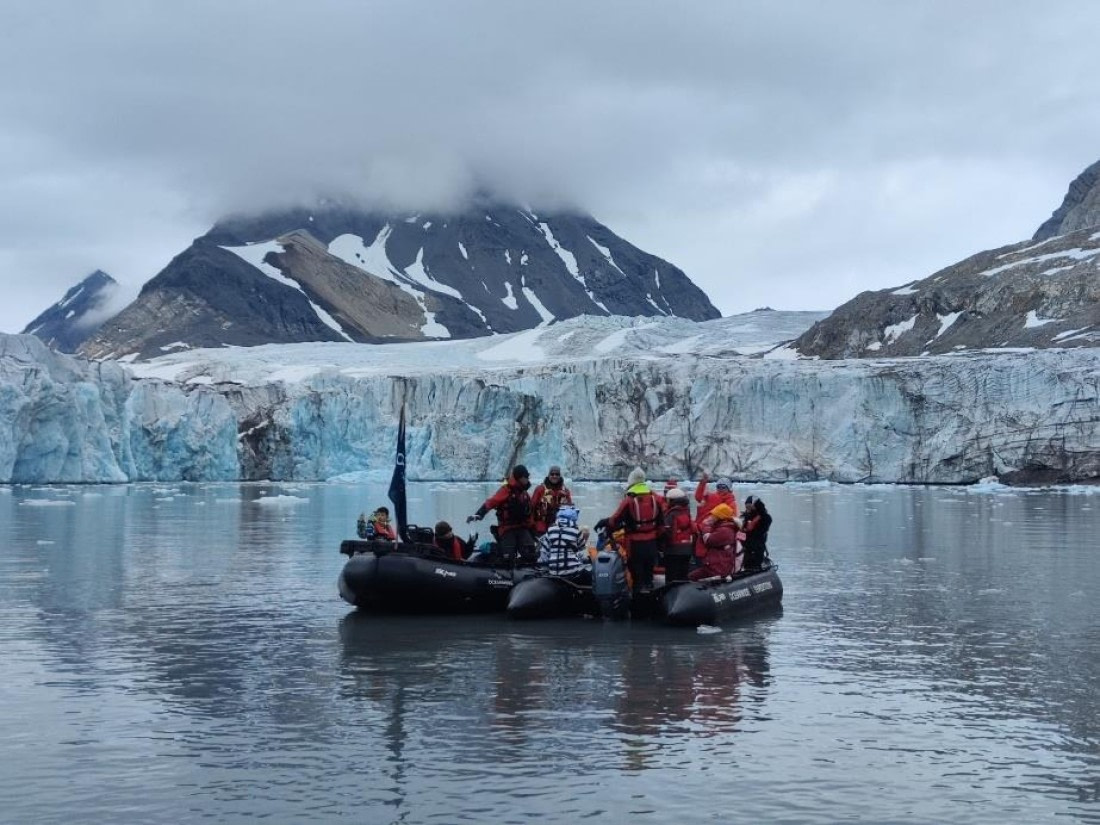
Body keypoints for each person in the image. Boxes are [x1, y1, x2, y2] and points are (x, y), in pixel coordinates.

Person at [596, 467, 665, 593]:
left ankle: (636, 605)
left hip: (635, 545)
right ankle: (652, 601)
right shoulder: (656, 499)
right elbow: (662, 524)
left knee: (636, 576)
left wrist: (605, 522)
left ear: (631, 482)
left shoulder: (629, 500)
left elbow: (615, 520)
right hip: (651, 544)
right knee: (649, 575)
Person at [468, 464, 536, 562]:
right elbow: (491, 502)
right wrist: (479, 514)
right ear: (519, 477)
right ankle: (492, 551)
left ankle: (523, 570)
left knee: (530, 554)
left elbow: (529, 512)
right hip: (507, 529)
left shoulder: (524, 493)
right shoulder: (506, 490)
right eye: (525, 477)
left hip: (522, 528)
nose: (527, 479)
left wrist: (532, 528)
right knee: (507, 557)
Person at [536, 506, 591, 583]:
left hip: (553, 571)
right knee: (590, 574)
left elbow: (544, 553)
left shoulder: (550, 531)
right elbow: (582, 554)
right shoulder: (576, 532)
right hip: (571, 571)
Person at [690, 503, 741, 581]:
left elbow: (709, 540)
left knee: (692, 577)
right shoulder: (723, 528)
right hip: (715, 564)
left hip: (718, 567)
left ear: (720, 517)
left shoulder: (725, 530)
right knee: (692, 575)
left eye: (714, 515)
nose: (711, 517)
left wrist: (706, 527)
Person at [660, 487, 695, 582]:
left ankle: (670, 595)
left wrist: (661, 546)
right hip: (687, 548)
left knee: (671, 577)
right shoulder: (686, 511)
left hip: (673, 550)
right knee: (683, 576)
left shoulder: (671, 514)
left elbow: (666, 531)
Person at [531, 465, 573, 535]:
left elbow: (570, 510)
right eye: (552, 474)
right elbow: (532, 507)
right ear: (548, 475)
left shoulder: (565, 491)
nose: (554, 476)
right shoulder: (540, 489)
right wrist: (531, 524)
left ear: (560, 476)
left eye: (557, 474)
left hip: (560, 527)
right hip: (542, 527)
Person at [739, 496, 773, 572]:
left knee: (753, 561)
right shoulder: (746, 517)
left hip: (756, 548)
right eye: (746, 507)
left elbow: (760, 532)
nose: (748, 509)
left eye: (749, 506)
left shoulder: (765, 518)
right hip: (745, 548)